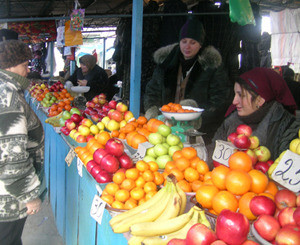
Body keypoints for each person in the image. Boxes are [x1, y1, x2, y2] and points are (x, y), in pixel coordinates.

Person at [144, 16, 232, 144]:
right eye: (184, 41)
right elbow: (152, 90)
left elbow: (220, 98)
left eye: (193, 42)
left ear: (200, 44)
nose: (187, 46)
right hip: (165, 127)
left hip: (198, 131)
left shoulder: (211, 66)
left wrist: (198, 116)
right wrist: (152, 110)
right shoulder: (166, 62)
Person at [0, 40, 45, 244]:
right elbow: (12, 154)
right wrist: (29, 195)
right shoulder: (7, 94)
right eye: (25, 65)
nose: (27, 71)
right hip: (8, 198)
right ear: (11, 64)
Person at [208, 67, 299, 169]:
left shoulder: (288, 127)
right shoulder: (231, 121)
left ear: (260, 100)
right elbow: (213, 151)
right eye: (235, 94)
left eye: (240, 95)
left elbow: (287, 171)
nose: (234, 101)